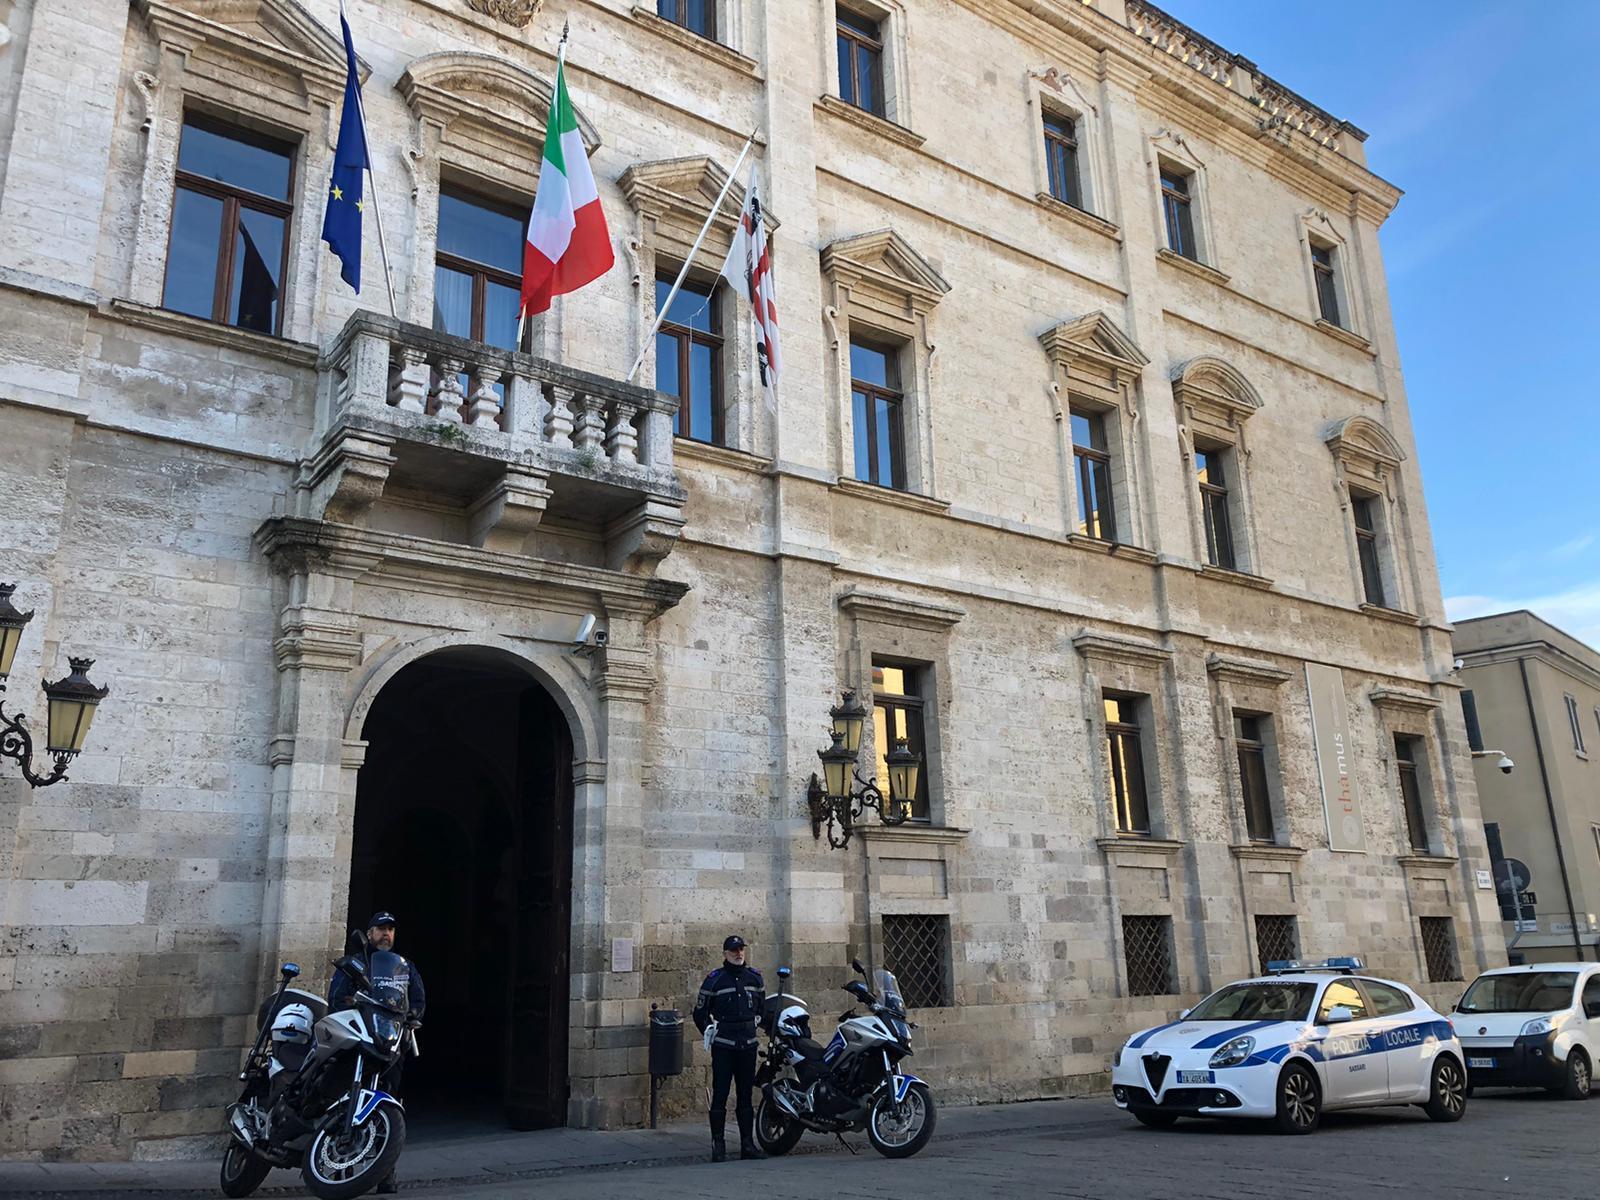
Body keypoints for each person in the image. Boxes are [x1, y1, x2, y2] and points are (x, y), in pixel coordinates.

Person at [328, 911, 424, 1195]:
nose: (387, 935)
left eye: (391, 930)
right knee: (344, 1100)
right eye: (381, 929)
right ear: (369, 934)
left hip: (389, 1044)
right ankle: (338, 1166)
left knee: (389, 1103)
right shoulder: (357, 964)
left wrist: (414, 1015)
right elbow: (337, 999)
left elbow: (417, 998)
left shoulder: (403, 968)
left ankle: (385, 1171)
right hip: (358, 1042)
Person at [692, 934, 766, 1162]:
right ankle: (719, 1145)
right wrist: (709, 1032)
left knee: (745, 1095)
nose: (738, 954)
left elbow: (761, 1008)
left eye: (741, 950)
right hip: (724, 1045)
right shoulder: (715, 980)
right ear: (725, 954)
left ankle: (747, 1144)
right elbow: (700, 1013)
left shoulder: (754, 978)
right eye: (734, 951)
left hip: (747, 1044)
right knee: (721, 1095)